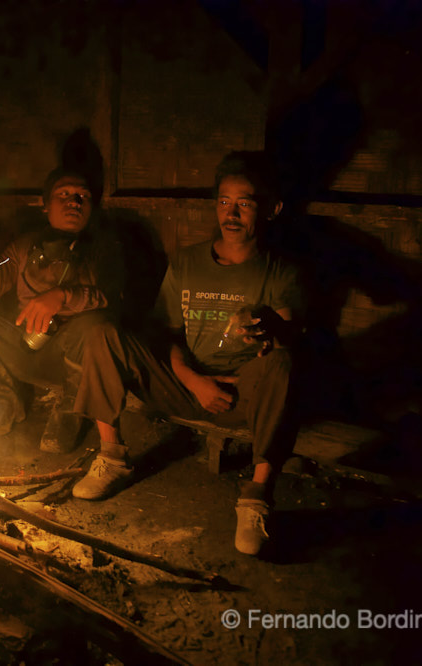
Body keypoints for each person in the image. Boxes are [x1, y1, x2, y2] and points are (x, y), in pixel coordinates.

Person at [73, 150, 302, 555]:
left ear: (270, 209)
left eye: (245, 204)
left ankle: (256, 496)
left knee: (282, 365)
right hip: (185, 382)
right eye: (224, 202)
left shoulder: (279, 270)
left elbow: (287, 341)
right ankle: (112, 456)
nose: (231, 214)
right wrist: (193, 381)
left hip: (244, 395)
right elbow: (167, 335)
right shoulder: (187, 262)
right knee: (102, 332)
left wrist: (267, 324)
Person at [0, 166, 129, 469]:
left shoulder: (104, 248)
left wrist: (62, 296)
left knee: (94, 327)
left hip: (73, 361)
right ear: (45, 204)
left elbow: (112, 296)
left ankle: (72, 408)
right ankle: (2, 397)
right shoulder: (25, 246)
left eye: (82, 196)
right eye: (63, 195)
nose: (74, 201)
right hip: (26, 345)